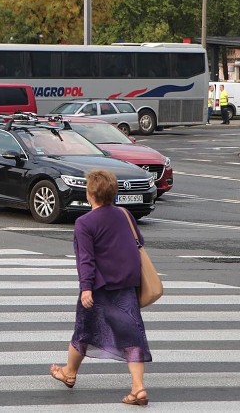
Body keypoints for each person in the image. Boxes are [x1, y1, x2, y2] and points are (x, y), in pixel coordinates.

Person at [49, 169, 152, 406]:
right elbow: (139, 242)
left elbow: (85, 258)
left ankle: (70, 373)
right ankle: (138, 387)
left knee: (84, 331)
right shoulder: (125, 214)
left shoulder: (84, 223)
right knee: (132, 335)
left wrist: (86, 288)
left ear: (90, 194)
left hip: (99, 287)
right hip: (126, 285)